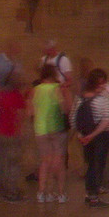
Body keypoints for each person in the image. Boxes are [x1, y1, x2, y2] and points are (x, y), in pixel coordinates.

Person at [74, 69, 109, 207]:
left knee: (90, 163)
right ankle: (93, 195)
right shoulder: (102, 100)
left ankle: (89, 193)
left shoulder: (79, 99)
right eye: (102, 84)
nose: (104, 86)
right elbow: (106, 120)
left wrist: (82, 135)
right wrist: (93, 135)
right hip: (100, 137)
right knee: (98, 165)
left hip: (85, 136)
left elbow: (74, 118)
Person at [30, 64, 68, 203]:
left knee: (45, 161)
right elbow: (64, 109)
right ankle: (60, 193)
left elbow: (31, 112)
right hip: (55, 128)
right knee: (58, 161)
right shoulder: (56, 89)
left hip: (40, 129)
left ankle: (42, 192)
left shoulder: (35, 90)